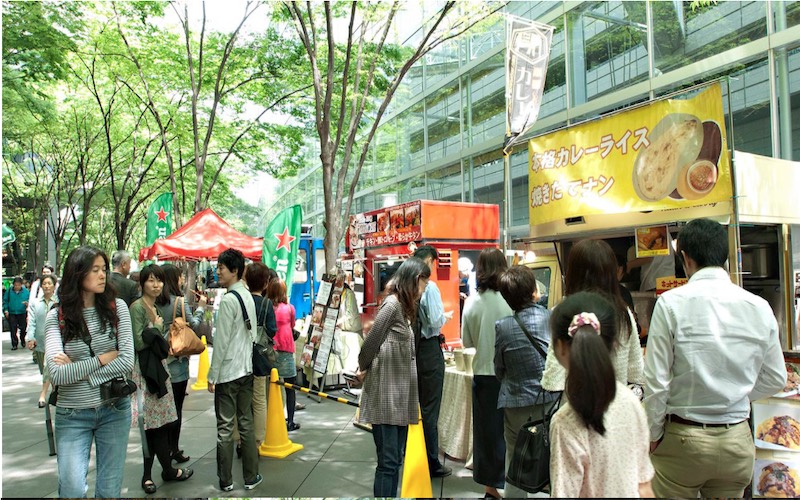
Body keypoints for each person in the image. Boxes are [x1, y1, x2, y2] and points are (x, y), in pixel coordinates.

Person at [644, 218, 787, 498]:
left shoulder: (670, 303)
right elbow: (776, 379)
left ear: (685, 257)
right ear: (725, 256)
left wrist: (653, 433)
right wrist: (738, 396)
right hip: (737, 442)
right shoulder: (759, 306)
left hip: (684, 440)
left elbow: (657, 381)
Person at [45, 246, 134, 498]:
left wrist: (78, 369)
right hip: (72, 413)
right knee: (72, 491)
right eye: (95, 270)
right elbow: (57, 375)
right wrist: (104, 359)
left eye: (104, 269)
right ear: (77, 273)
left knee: (108, 491)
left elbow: (127, 361)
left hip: (114, 408)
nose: (102, 275)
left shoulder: (117, 309)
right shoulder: (57, 317)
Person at [549, 291, 655, 497]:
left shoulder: (566, 422)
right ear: (613, 344)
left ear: (560, 347)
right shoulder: (631, 403)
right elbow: (644, 487)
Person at [357, 257, 429, 497]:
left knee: (394, 460)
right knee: (389, 462)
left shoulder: (402, 307)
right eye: (424, 285)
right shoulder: (392, 305)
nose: (423, 291)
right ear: (416, 280)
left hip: (397, 397)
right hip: (387, 396)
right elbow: (371, 342)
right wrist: (362, 367)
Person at [541, 239, 644, 394]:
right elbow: (636, 373)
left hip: (576, 412)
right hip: (616, 410)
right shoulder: (623, 313)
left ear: (572, 273)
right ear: (611, 273)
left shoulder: (563, 311)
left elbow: (552, 381)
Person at [130, 265, 192, 494]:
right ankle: (154, 473)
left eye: (159, 281)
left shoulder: (153, 305)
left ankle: (164, 470)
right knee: (151, 425)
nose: (156, 285)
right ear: (142, 283)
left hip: (158, 367)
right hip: (146, 372)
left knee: (160, 424)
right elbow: (138, 342)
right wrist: (156, 327)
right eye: (151, 281)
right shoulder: (137, 307)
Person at [495, 265, 556, 498]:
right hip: (550, 400)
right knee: (553, 457)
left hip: (516, 401)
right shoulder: (552, 318)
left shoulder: (503, 326)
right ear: (535, 292)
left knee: (516, 457)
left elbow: (499, 368)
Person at [207, 248, 262, 492]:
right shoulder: (248, 296)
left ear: (235, 271)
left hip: (228, 373)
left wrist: (212, 374)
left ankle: (226, 480)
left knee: (225, 428)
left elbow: (221, 343)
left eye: (222, 268)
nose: (218, 271)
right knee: (246, 423)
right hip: (246, 370)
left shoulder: (229, 300)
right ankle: (251, 477)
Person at [461, 248, 513, 499]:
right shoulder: (512, 300)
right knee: (510, 431)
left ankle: (490, 488)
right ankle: (513, 484)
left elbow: (466, 342)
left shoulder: (472, 301)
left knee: (485, 433)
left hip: (482, 374)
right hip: (510, 375)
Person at [155, 263, 207, 464]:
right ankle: (173, 449)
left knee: (164, 409)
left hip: (161, 360)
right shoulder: (179, 301)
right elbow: (194, 324)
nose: (182, 280)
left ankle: (164, 451)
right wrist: (201, 307)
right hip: (178, 362)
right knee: (177, 407)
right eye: (179, 277)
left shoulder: (154, 303)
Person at [412, 245, 453, 478]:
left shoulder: (402, 284)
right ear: (429, 260)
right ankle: (431, 461)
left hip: (412, 351)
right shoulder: (430, 287)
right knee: (430, 408)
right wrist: (444, 317)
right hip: (428, 350)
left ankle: (414, 454)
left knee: (416, 405)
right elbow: (435, 320)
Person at [237, 262, 277, 451]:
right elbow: (272, 330)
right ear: (265, 283)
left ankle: (239, 440)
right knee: (259, 400)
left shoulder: (240, 300)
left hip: (240, 357)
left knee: (241, 400)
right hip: (260, 359)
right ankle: (257, 441)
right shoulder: (267, 304)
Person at [268, 279, 300, 431]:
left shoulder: (268, 307)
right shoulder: (289, 308)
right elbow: (293, 325)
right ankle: (290, 421)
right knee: (290, 387)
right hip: (286, 348)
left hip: (271, 349)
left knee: (271, 386)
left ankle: (273, 418)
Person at [27, 274, 58, 407]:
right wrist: (30, 338)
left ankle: (43, 395)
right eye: (44, 284)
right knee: (45, 369)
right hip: (40, 341)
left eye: (49, 283)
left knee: (48, 366)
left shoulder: (58, 302)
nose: (46, 286)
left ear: (54, 286)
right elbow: (31, 322)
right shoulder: (35, 303)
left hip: (55, 341)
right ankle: (56, 391)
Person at [4, 276, 30, 350]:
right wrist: (6, 309)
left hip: (22, 312)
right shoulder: (9, 291)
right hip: (12, 312)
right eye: (15, 285)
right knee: (13, 328)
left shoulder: (26, 292)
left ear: (21, 285)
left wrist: (27, 304)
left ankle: (22, 339)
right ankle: (14, 344)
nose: (17, 287)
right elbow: (5, 301)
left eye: (18, 285)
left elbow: (30, 301)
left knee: (23, 328)